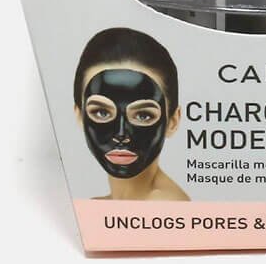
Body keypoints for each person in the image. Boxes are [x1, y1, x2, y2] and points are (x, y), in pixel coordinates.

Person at [73, 26, 189, 201]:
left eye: (143, 116)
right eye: (102, 112)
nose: (121, 134)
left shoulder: (164, 207)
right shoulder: (100, 207)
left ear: (173, 121)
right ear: (79, 115)